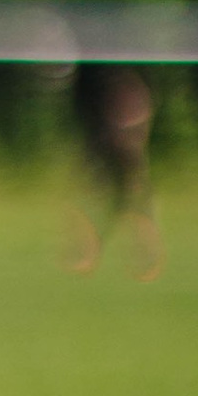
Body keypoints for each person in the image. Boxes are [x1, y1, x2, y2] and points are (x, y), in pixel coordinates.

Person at [66, 66, 164, 282]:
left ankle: (143, 254)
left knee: (131, 189)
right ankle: (93, 250)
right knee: (113, 189)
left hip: (118, 116)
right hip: (111, 114)